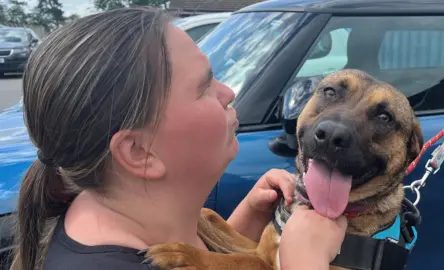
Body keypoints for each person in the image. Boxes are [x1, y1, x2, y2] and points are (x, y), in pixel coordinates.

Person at [10, 6, 347, 270]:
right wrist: (304, 261)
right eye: (204, 87)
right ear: (139, 151)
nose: (228, 93)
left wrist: (246, 223)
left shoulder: (141, 218)